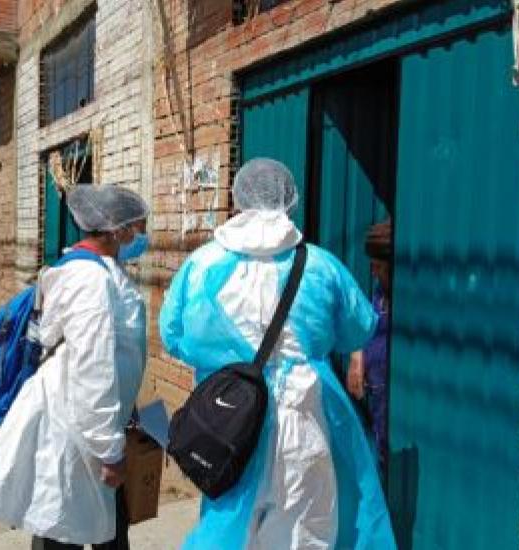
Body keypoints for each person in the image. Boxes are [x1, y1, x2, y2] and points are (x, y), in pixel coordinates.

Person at [159, 158, 396, 549]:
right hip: (305, 419)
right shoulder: (319, 265)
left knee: (231, 530)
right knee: (304, 531)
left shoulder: (201, 264)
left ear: (238, 199)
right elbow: (360, 327)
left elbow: (173, 335)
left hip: (232, 423)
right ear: (289, 202)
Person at [0, 184, 150, 550]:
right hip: (77, 427)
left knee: (80, 525)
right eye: (137, 228)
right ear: (116, 230)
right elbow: (93, 367)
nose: (141, 236)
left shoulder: (97, 270)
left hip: (89, 423)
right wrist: (108, 450)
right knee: (63, 529)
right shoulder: (89, 279)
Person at [347, 221, 393, 473]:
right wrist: (357, 357)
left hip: (391, 394)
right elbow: (365, 321)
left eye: (379, 266)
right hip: (374, 390)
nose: (374, 272)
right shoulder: (380, 290)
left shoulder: (405, 293)